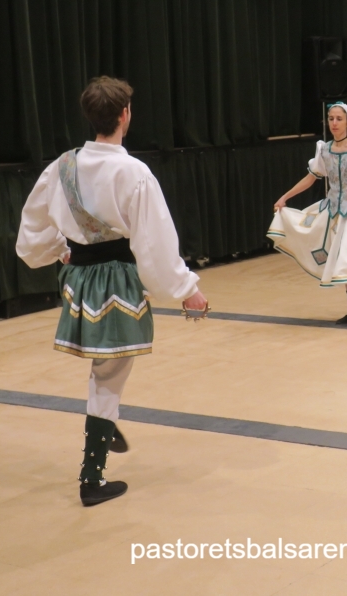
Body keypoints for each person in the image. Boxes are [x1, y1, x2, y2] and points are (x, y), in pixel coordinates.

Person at [16, 76, 208, 507]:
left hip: (80, 279)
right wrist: (186, 289)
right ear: (125, 115)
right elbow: (153, 244)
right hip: (116, 281)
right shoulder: (133, 172)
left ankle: (105, 427)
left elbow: (31, 232)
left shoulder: (61, 167)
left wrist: (59, 251)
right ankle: (92, 478)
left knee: (107, 372)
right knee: (109, 376)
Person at [270, 103, 347, 325]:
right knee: (339, 257)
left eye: (339, 119)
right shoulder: (325, 150)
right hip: (334, 210)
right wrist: (285, 197)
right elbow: (310, 178)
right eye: (331, 119)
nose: (334, 123)